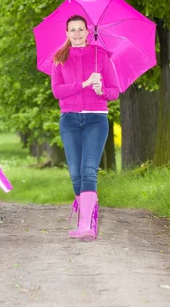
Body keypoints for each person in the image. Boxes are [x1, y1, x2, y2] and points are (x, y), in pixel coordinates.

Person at [51, 15, 119, 241]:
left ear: (88, 31)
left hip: (95, 119)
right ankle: (88, 216)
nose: (77, 34)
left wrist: (101, 90)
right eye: (73, 30)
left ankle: (85, 225)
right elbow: (58, 91)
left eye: (81, 29)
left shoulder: (101, 56)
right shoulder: (59, 59)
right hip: (69, 119)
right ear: (67, 33)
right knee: (76, 173)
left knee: (89, 170)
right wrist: (84, 84)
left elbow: (114, 91)